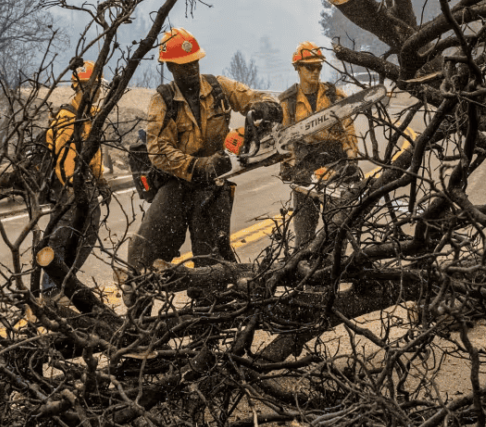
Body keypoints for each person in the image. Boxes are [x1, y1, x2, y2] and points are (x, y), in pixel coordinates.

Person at [127, 27, 282, 270]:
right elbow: (158, 149)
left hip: (212, 184)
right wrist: (199, 165)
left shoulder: (218, 87)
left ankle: (210, 290)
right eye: (185, 65)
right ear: (171, 67)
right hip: (176, 183)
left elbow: (252, 96)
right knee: (145, 253)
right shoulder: (163, 100)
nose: (192, 68)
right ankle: (137, 288)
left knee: (213, 262)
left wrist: (266, 105)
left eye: (194, 62)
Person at [278, 42, 360, 249]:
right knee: (304, 233)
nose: (315, 71)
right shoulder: (288, 101)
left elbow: (347, 128)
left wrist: (351, 157)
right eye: (310, 67)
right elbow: (284, 138)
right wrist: (290, 166)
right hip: (305, 165)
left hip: (334, 162)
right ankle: (303, 265)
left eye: (318, 67)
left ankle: (332, 265)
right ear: (298, 68)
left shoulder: (333, 95)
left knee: (336, 229)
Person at [41, 59, 108, 297]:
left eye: (98, 86)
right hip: (67, 187)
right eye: (94, 86)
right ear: (82, 87)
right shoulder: (69, 118)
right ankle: (51, 289)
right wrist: (72, 189)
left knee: (88, 232)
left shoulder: (91, 116)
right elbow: (65, 160)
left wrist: (100, 180)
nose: (98, 91)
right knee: (62, 236)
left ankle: (66, 282)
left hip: (84, 183)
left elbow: (93, 154)